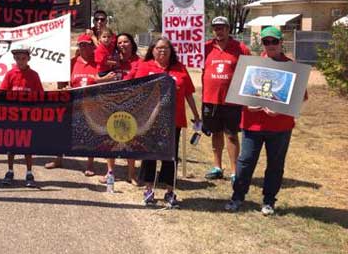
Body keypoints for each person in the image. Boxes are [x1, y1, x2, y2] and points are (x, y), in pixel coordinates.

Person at [225, 27, 307, 215]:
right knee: (245, 162)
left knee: (275, 165)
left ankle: (269, 201)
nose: (270, 45)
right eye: (266, 42)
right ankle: (237, 197)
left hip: (280, 126)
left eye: (274, 41)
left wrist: (281, 110)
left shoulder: (292, 67)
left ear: (281, 43)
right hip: (252, 125)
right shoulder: (251, 65)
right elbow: (239, 95)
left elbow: (301, 97)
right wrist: (247, 106)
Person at [125, 37, 200, 207]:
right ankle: (149, 190)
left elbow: (188, 93)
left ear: (171, 51)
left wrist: (196, 114)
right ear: (152, 50)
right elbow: (136, 91)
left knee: (170, 156)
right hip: (151, 121)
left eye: (165, 48)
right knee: (150, 154)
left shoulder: (180, 68)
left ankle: (169, 191)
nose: (162, 51)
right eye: (158, 48)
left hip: (174, 120)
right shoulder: (145, 67)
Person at [44, 34, 117, 174]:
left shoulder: (98, 64)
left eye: (87, 44)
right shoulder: (71, 63)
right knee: (62, 132)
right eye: (81, 44)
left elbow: (107, 81)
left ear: (92, 47)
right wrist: (64, 88)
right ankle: (58, 158)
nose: (84, 47)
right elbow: (63, 83)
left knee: (90, 133)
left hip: (92, 104)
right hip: (72, 103)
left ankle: (90, 164)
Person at [202, 16, 251, 183]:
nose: (218, 30)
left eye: (222, 27)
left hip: (232, 100)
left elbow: (250, 72)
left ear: (228, 29)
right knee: (215, 133)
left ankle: (234, 171)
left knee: (231, 135)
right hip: (210, 98)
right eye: (216, 28)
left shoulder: (240, 48)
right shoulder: (206, 48)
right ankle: (217, 167)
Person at [100, 33, 141, 185]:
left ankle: (131, 175)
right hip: (113, 103)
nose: (122, 45)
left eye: (125, 42)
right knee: (111, 138)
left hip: (131, 105)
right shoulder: (113, 60)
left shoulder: (139, 61)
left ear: (132, 43)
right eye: (119, 42)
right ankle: (110, 172)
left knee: (130, 139)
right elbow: (100, 72)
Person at [0, 44, 44, 187]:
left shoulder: (34, 75)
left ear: (28, 59)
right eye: (17, 58)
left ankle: (29, 172)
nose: (20, 61)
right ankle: (10, 170)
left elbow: (41, 96)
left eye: (23, 58)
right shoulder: (10, 74)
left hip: (28, 117)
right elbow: (2, 93)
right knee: (11, 145)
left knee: (27, 146)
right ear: (14, 59)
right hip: (12, 116)